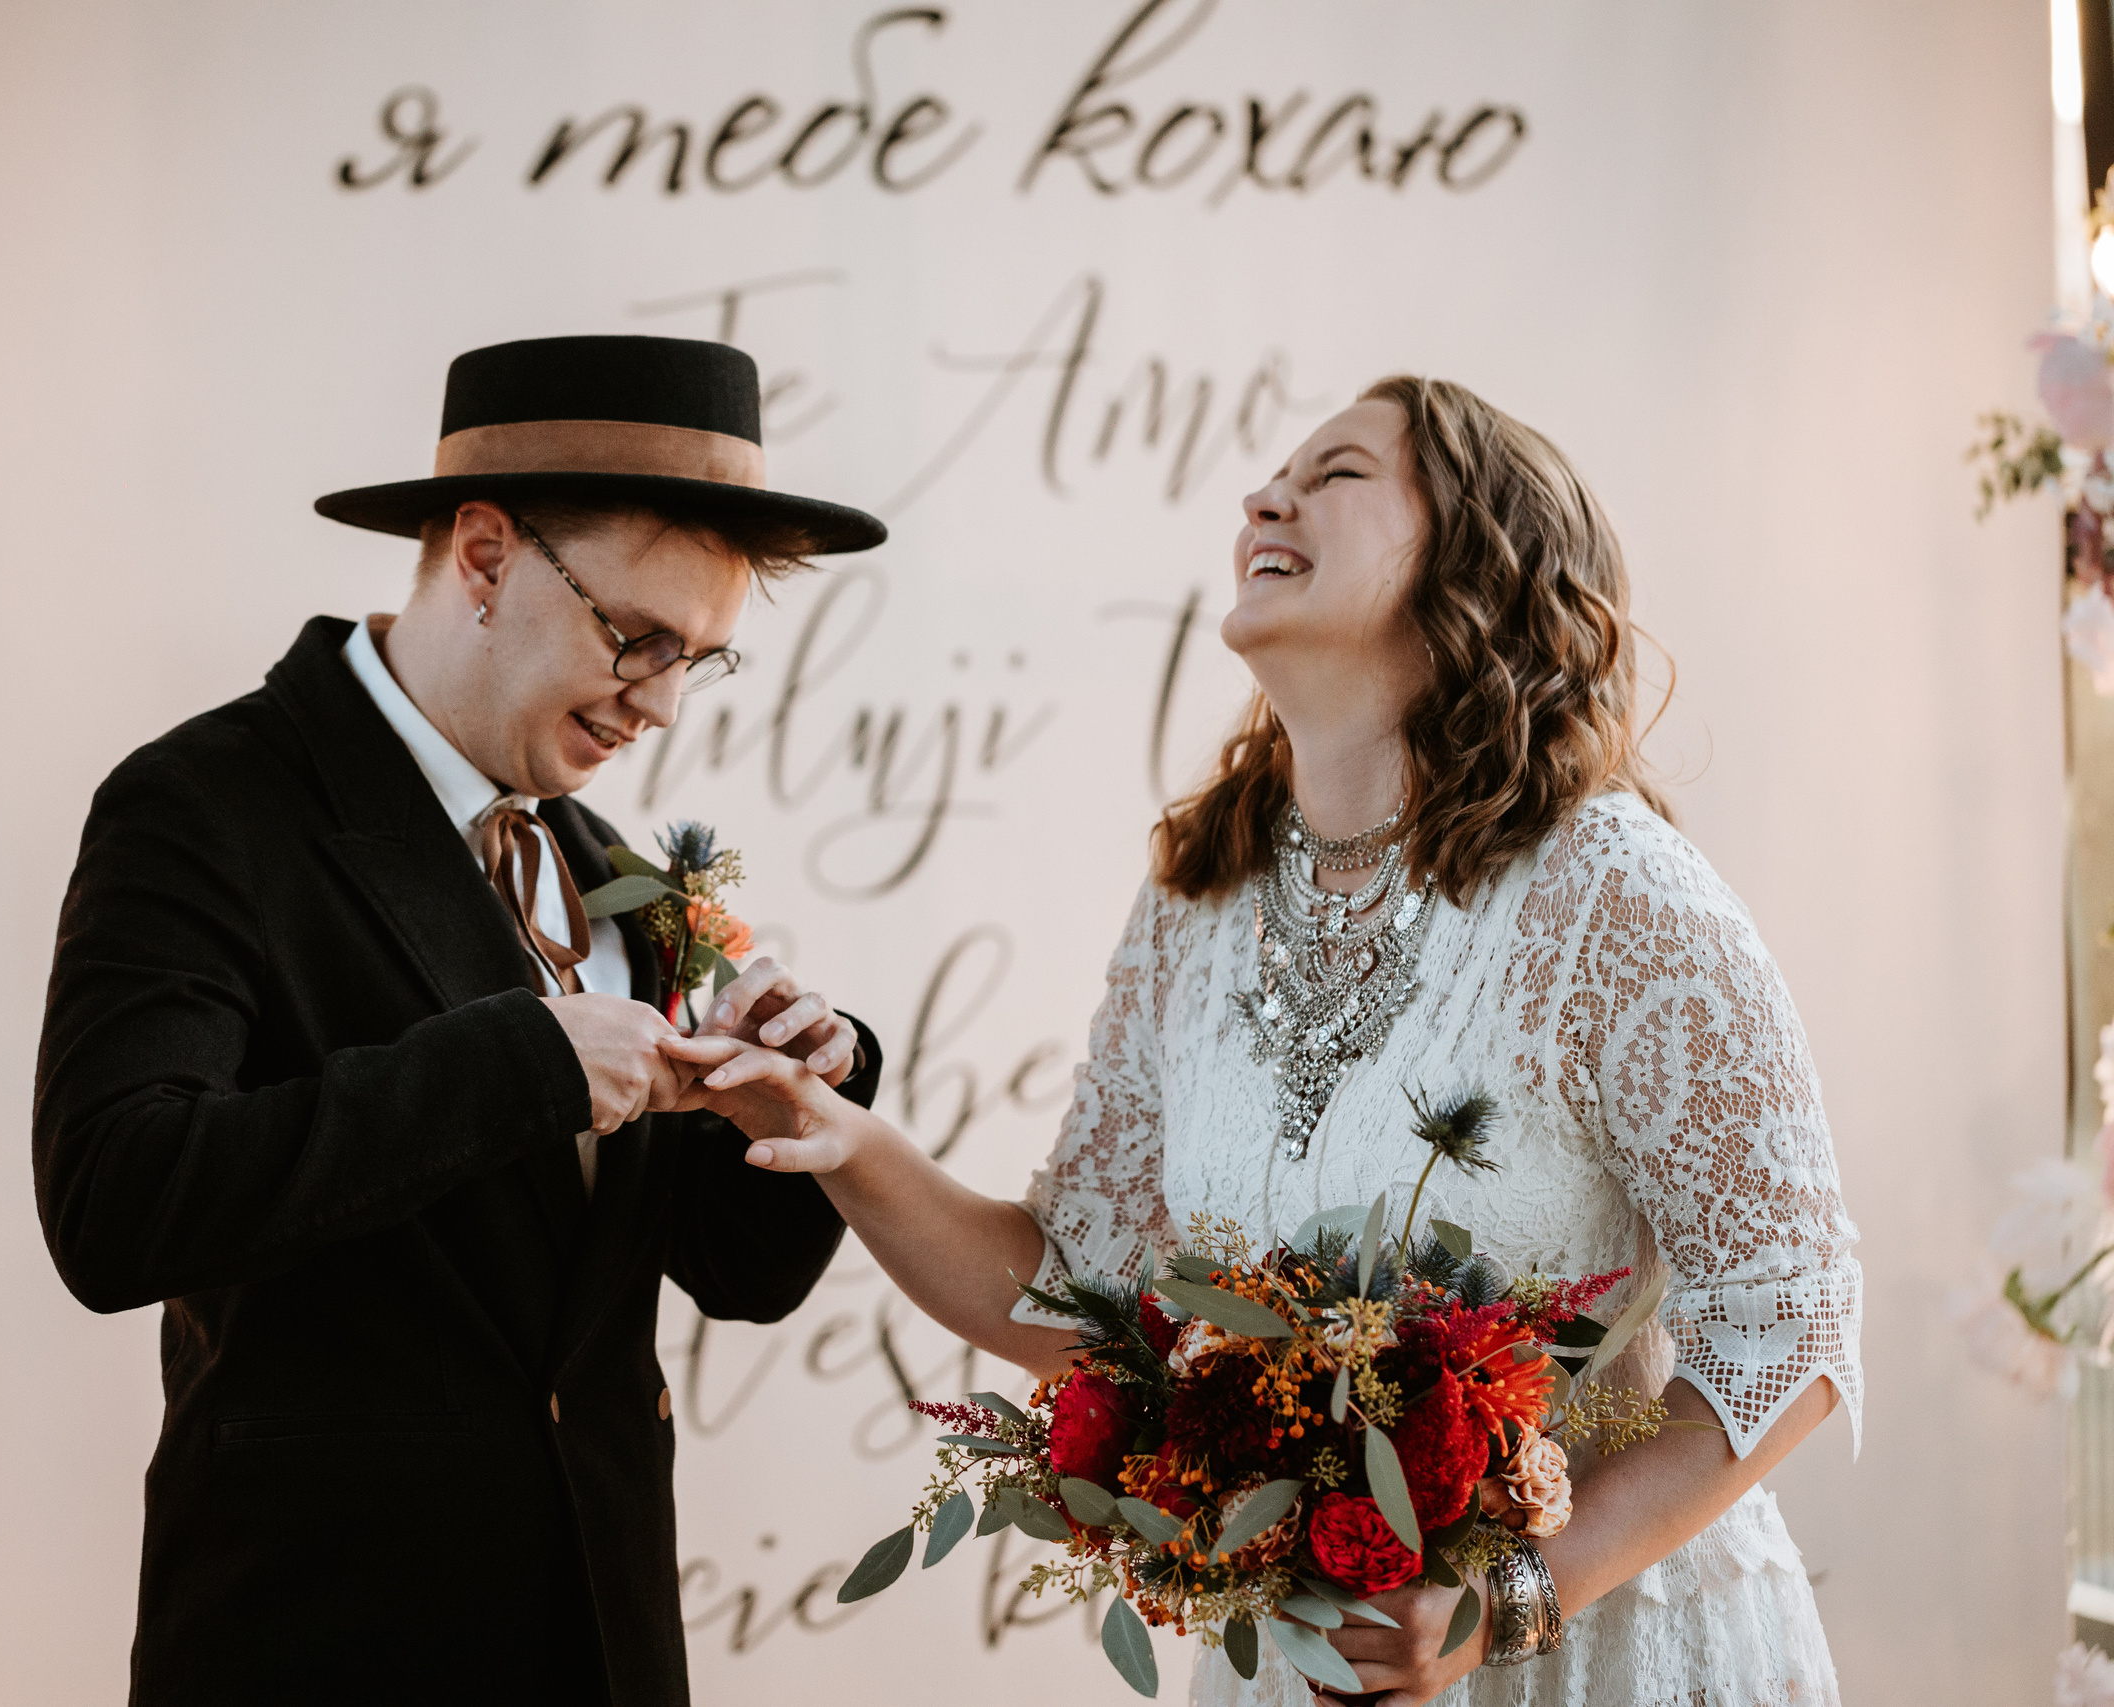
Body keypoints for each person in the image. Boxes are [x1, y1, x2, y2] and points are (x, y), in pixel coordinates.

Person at [666, 376, 1860, 1705]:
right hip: (1300, 1666)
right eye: (1274, 475)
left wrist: (1506, 1599)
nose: (1264, 498)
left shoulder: (1616, 898)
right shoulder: (1200, 907)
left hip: (1601, 1656)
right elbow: (1086, 1302)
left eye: (1339, 472)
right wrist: (839, 1141)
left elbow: (1788, 1329)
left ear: (1478, 559)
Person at [32, 335, 890, 1706]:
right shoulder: (206, 805)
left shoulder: (617, 865)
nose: (664, 704)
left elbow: (739, 1275)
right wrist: (518, 1066)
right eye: (640, 638)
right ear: (485, 558)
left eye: (702, 661)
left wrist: (801, 1098)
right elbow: (114, 1201)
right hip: (316, 1648)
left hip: (603, 1657)